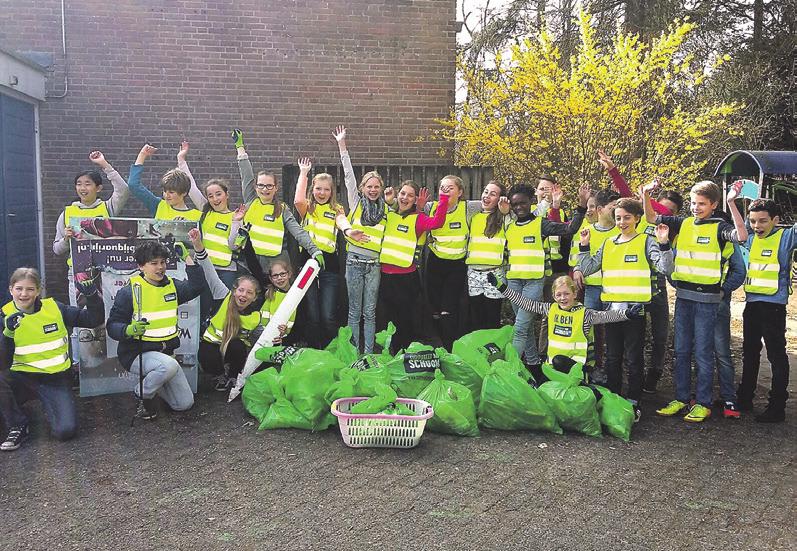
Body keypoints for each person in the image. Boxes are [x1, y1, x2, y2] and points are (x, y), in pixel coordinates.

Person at [645, 179, 748, 423]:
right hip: (684, 297)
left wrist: (732, 202)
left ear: (713, 204)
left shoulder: (720, 227)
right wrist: (646, 193)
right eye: (692, 202)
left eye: (701, 203)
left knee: (703, 353)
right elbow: (650, 218)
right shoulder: (683, 223)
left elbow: (742, 235)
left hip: (708, 300)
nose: (695, 207)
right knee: (681, 351)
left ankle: (703, 402)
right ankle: (681, 398)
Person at [577, 198, 674, 420]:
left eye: (627, 218)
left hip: (634, 311)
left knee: (633, 357)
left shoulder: (646, 241)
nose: (622, 222)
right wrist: (584, 246)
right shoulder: (609, 242)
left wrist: (664, 243)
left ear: (637, 218)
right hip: (611, 311)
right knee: (612, 357)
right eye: (618, 218)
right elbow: (587, 267)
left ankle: (633, 400)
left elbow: (665, 267)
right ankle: (612, 397)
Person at [597, 150, 684, 393]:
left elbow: (666, 263)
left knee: (659, 333)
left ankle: (653, 375)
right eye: (657, 208)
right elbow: (627, 196)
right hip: (633, 289)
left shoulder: (670, 227)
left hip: (656, 286)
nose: (659, 213)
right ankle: (621, 381)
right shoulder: (641, 219)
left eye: (667, 211)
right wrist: (613, 170)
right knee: (626, 340)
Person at [0, 267, 103, 451]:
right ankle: (18, 425)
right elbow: (2, 363)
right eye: (19, 288)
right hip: (22, 379)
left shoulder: (55, 308)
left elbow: (92, 319)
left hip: (54, 380)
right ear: (10, 290)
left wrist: (93, 297)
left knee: (65, 431)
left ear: (38, 290)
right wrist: (7, 333)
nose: (24, 294)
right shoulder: (4, 316)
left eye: (30, 289)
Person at [106, 241, 205, 420]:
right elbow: (112, 326)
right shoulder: (129, 292)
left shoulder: (173, 286)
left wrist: (187, 258)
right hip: (136, 354)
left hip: (166, 355)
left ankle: (154, 385)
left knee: (184, 404)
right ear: (141, 266)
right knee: (169, 366)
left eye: (163, 262)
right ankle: (141, 394)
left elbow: (197, 287)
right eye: (154, 263)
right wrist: (128, 330)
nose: (160, 267)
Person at [487, 272, 641, 385]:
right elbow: (525, 303)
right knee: (536, 389)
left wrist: (627, 313)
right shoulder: (550, 309)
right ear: (554, 296)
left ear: (575, 294)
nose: (563, 298)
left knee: (559, 364)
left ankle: (592, 384)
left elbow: (606, 316)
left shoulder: (584, 314)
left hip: (575, 371)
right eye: (558, 294)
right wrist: (501, 287)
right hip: (552, 369)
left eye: (566, 294)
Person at [505, 183, 588, 372]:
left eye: (523, 203)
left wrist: (581, 206)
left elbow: (569, 229)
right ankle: (533, 365)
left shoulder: (540, 223)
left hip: (533, 282)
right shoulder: (508, 225)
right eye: (515, 204)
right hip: (514, 282)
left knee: (519, 328)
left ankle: (510, 372)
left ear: (531, 202)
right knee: (524, 328)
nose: (519, 207)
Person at [293, 156, 366, 348]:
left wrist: (348, 230)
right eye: (318, 188)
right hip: (307, 262)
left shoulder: (337, 208)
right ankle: (315, 352)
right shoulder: (307, 207)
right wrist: (303, 173)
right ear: (313, 189)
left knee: (327, 316)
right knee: (312, 315)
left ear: (332, 191)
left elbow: (342, 222)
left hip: (329, 265)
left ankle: (331, 350)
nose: (322, 192)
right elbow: (298, 199)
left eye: (326, 189)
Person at [230, 129, 322, 274]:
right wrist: (240, 147)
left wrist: (315, 250)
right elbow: (246, 174)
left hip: (276, 264)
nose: (264, 189)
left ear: (276, 188)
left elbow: (298, 232)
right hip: (250, 262)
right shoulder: (251, 201)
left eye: (269, 186)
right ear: (255, 187)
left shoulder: (283, 208)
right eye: (261, 185)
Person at [737, 199, 797, 422]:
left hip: (774, 307)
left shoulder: (786, 237)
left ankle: (777, 407)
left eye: (762, 221)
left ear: (776, 221)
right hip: (752, 304)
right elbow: (739, 228)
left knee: (776, 356)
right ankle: (744, 398)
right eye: (753, 221)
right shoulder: (750, 239)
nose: (756, 225)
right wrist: (731, 200)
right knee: (750, 353)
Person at [189, 228, 263, 391]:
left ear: (254, 297)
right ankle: (218, 374)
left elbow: (261, 340)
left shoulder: (256, 315)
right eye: (241, 290)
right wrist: (198, 245)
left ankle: (233, 375)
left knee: (238, 346)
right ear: (234, 290)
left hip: (233, 350)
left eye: (249, 292)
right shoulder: (223, 295)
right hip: (212, 345)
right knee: (206, 354)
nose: (243, 295)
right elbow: (209, 271)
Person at [380, 180, 448, 352]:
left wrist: (444, 198)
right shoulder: (388, 214)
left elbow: (437, 222)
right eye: (402, 193)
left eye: (410, 195)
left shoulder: (418, 219)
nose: (405, 197)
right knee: (388, 317)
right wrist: (389, 201)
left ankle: (405, 352)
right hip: (386, 276)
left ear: (415, 199)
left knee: (406, 319)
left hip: (407, 278)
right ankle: (391, 351)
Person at [337, 126, 388, 353]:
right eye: (369, 186)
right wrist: (342, 145)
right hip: (355, 263)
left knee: (370, 312)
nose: (373, 189)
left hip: (374, 265)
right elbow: (348, 174)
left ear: (381, 189)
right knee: (354, 311)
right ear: (363, 188)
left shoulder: (386, 210)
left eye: (377, 186)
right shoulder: (356, 203)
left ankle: (368, 354)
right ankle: (353, 353)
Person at [569, 187, 618, 384]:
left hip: (614, 291)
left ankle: (613, 371)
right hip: (591, 289)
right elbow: (576, 259)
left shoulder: (621, 231)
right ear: (600, 209)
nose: (616, 211)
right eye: (612, 207)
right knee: (590, 332)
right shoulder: (585, 232)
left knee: (614, 333)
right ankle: (592, 368)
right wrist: (578, 270)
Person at [465, 180, 511, 330]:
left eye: (493, 194)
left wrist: (505, 212)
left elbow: (518, 226)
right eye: (485, 192)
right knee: (475, 318)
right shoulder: (473, 217)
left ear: (500, 198)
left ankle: (492, 351)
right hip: (473, 273)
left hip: (495, 273)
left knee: (492, 318)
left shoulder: (505, 218)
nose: (487, 196)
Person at [126, 143, 204, 221]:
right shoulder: (159, 205)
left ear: (184, 192)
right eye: (164, 191)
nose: (166, 195)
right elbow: (133, 185)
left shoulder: (198, 217)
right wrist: (142, 155)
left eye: (171, 192)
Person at [713, 241, 747, 419]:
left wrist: (723, 290)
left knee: (721, 352)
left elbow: (740, 271)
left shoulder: (728, 243)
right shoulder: (690, 233)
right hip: (694, 301)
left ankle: (728, 398)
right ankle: (701, 396)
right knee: (698, 351)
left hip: (719, 303)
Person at [260, 259, 299, 347]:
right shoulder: (268, 294)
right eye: (275, 275)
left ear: (289, 274)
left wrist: (284, 337)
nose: (279, 278)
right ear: (270, 278)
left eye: (282, 274)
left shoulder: (297, 294)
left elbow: (300, 326)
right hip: (265, 340)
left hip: (287, 342)